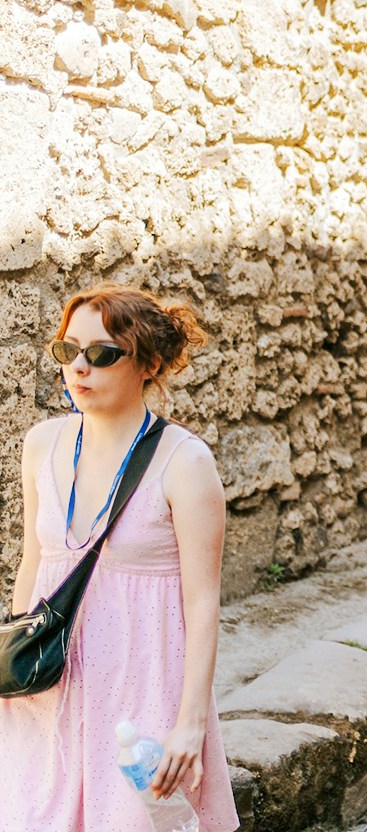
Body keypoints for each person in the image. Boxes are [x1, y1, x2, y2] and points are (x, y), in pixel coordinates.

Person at [0, 286, 238, 832]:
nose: (79, 367)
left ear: (148, 364)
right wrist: (19, 665)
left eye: (103, 354)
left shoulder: (185, 462)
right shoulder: (41, 444)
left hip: (141, 687)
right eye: (68, 351)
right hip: (49, 688)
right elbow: (33, 562)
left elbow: (203, 603)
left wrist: (190, 725)